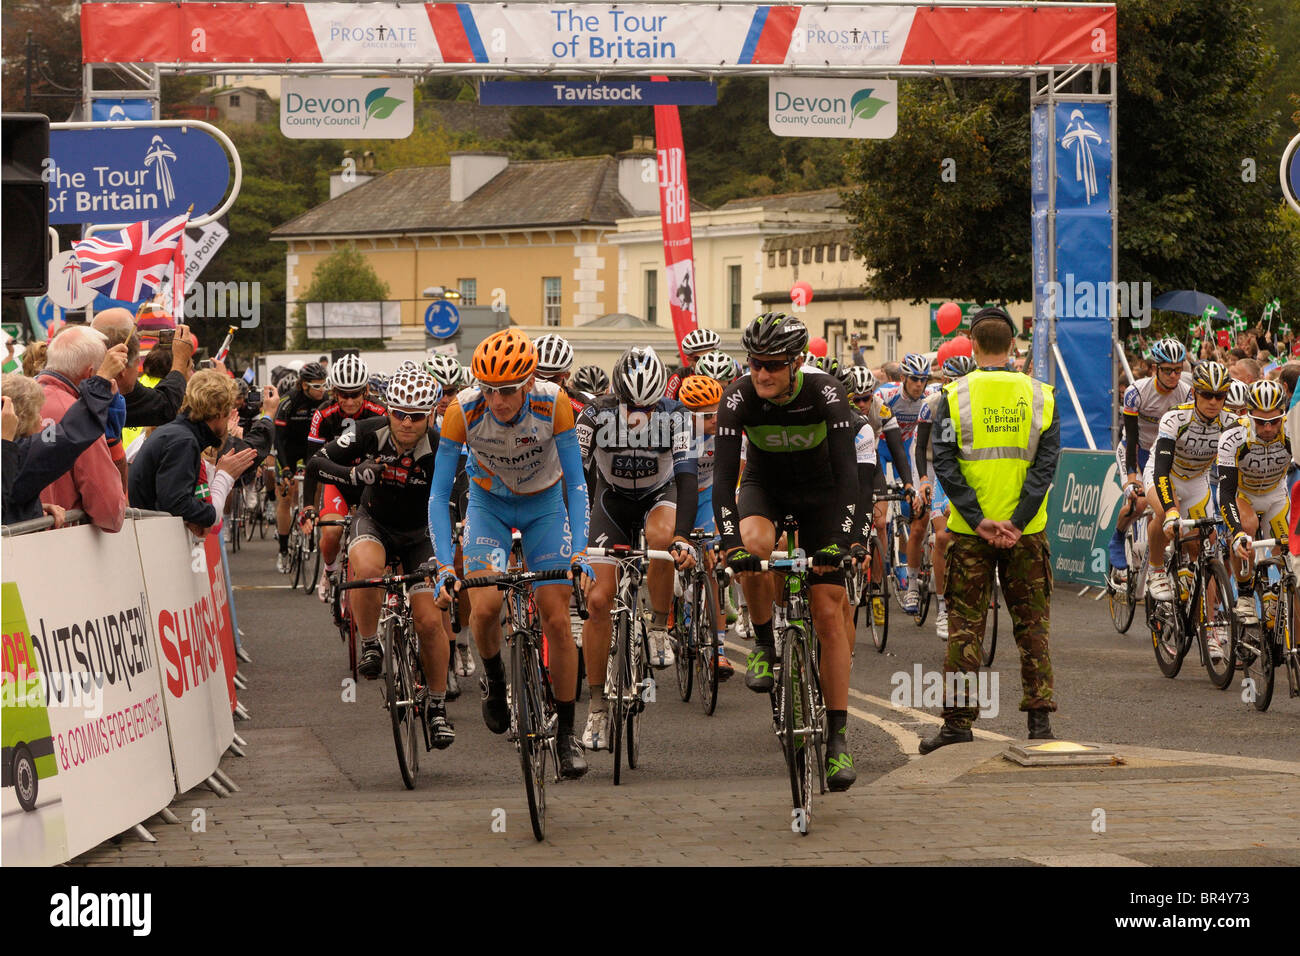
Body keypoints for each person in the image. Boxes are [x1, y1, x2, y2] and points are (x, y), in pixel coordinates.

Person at [426, 332, 592, 774]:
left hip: (544, 507)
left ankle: (567, 736)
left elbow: (576, 484)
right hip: (488, 508)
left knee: (557, 615)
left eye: (508, 390)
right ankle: (495, 679)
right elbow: (440, 493)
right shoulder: (462, 410)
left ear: (528, 382)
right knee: (485, 607)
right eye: (490, 389)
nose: (498, 400)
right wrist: (445, 565)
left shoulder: (552, 403)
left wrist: (579, 553)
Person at [713, 313, 861, 790]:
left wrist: (845, 539)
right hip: (765, 490)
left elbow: (849, 479)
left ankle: (838, 740)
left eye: (773, 366)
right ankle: (762, 644)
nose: (762, 375)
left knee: (827, 611)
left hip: (824, 495)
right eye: (755, 364)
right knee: (753, 551)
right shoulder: (736, 398)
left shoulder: (826, 393)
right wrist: (730, 544)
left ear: (796, 363)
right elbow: (721, 485)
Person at [922, 305, 1060, 751]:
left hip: (968, 532)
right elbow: (1045, 467)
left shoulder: (952, 396)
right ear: (1013, 345)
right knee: (1033, 627)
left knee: (965, 626)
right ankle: (1040, 724)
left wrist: (978, 518)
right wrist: (1017, 523)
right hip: (1027, 532)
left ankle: (958, 725)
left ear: (973, 344)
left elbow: (943, 462)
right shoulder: (1044, 395)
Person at [309, 368, 456, 748]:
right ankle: (371, 641)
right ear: (388, 410)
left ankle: (437, 707)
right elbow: (317, 463)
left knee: (428, 621)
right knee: (368, 569)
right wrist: (354, 475)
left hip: (421, 535)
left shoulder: (443, 448)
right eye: (400, 414)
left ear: (431, 416)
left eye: (418, 416)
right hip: (374, 522)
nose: (407, 424)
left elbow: (461, 499)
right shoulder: (365, 432)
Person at [2, 345, 125, 525]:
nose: (41, 418)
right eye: (37, 412)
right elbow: (69, 434)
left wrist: (31, 508)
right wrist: (102, 381)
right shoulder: (20, 453)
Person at [129, 370, 259, 536]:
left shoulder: (178, 433)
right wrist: (224, 477)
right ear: (220, 413)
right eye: (228, 412)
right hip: (156, 542)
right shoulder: (184, 441)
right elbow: (176, 503)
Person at [1106, 338, 1191, 588]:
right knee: (1140, 502)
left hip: (1166, 454)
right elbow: (1130, 436)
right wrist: (1133, 479)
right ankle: (1118, 537)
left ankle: (1157, 555)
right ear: (1155, 368)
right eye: (1167, 370)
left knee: (1169, 504)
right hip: (1137, 450)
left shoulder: (1186, 392)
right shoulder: (1136, 392)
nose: (1174, 375)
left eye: (1179, 369)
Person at [305, 354, 385, 603]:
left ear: (366, 390)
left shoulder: (380, 411)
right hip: (337, 482)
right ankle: (328, 571)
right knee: (330, 532)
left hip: (369, 485)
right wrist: (308, 506)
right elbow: (312, 465)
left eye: (355, 394)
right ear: (334, 392)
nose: (349, 400)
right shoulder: (323, 414)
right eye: (343, 394)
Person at [35, 327, 128, 534]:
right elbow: (110, 514)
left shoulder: (13, 401)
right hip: (63, 545)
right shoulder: (82, 419)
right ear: (91, 374)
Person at [1219, 380, 1290, 624]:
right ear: (1249, 414)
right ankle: (1246, 594)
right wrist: (1237, 532)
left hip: (1275, 496)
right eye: (1260, 421)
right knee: (1246, 530)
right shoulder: (1233, 436)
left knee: (1288, 554)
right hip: (1243, 493)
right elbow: (1226, 491)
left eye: (1275, 420)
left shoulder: (1294, 432)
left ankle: (1281, 594)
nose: (1268, 428)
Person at [273, 361, 328, 572]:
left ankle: (311, 523)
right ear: (304, 385)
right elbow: (278, 439)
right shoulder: (289, 401)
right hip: (289, 450)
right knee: (285, 497)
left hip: (311, 450)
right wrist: (285, 468)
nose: (321, 390)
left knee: (316, 489)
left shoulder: (325, 401)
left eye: (324, 385)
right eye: (316, 386)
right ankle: (284, 550)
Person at [665, 328, 723, 399]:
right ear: (690, 360)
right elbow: (666, 403)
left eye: (709, 357)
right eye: (698, 359)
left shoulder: (730, 373)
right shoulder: (679, 377)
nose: (705, 363)